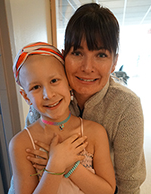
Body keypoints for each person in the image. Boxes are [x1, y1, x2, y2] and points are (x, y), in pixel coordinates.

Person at [24, 3, 146, 194]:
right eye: (78, 53)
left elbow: (128, 185)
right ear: (64, 56)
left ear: (114, 63)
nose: (87, 67)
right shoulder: (46, 102)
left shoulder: (126, 106)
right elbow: (30, 171)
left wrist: (63, 165)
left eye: (101, 55)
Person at [9, 42, 116, 194]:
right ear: (26, 96)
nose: (48, 95)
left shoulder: (95, 132)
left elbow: (107, 191)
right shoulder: (21, 144)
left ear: (68, 82)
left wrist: (70, 167)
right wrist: (55, 165)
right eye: (36, 87)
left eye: (54, 81)